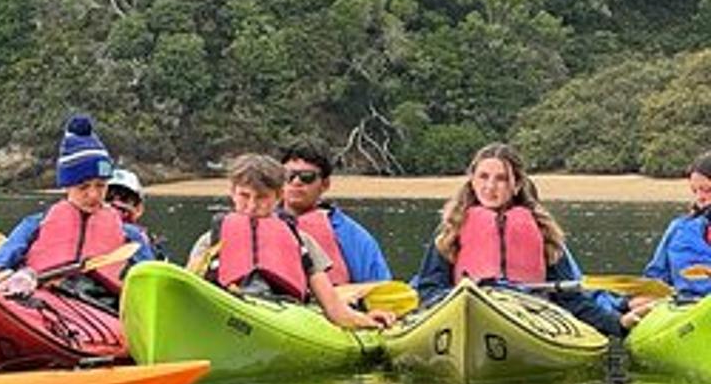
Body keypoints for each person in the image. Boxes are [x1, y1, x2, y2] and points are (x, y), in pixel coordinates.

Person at [412, 142, 623, 335]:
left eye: (501, 179)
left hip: (529, 316)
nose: (490, 187)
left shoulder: (542, 231)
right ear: (472, 181)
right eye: (483, 177)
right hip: (465, 312)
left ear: (517, 184)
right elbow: (429, 290)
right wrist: (461, 299)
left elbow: (572, 300)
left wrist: (617, 324)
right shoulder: (450, 229)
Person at [186, 153, 390, 330]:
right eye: (244, 196)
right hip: (227, 312)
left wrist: (364, 320)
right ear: (232, 193)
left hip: (282, 315)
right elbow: (188, 288)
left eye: (262, 197)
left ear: (278, 197)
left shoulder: (302, 242)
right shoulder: (210, 241)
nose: (251, 206)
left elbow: (333, 308)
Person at [0, 115, 154, 308]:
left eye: (101, 186)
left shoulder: (130, 235)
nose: (93, 195)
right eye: (83, 187)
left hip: (103, 307)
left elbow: (152, 286)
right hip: (42, 300)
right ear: (66, 187)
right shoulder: (34, 225)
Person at [279, 139, 392, 285]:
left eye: (307, 177)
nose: (296, 182)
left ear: (325, 184)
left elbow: (380, 286)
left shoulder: (353, 237)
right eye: (288, 175)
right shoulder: (261, 224)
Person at [635, 152, 711, 319]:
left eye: (708, 190)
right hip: (685, 307)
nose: (701, 197)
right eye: (695, 190)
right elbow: (657, 274)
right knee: (636, 302)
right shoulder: (679, 227)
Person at [106, 167, 167, 261]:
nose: (116, 204)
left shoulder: (151, 244)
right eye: (108, 197)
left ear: (139, 208)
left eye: (124, 198)